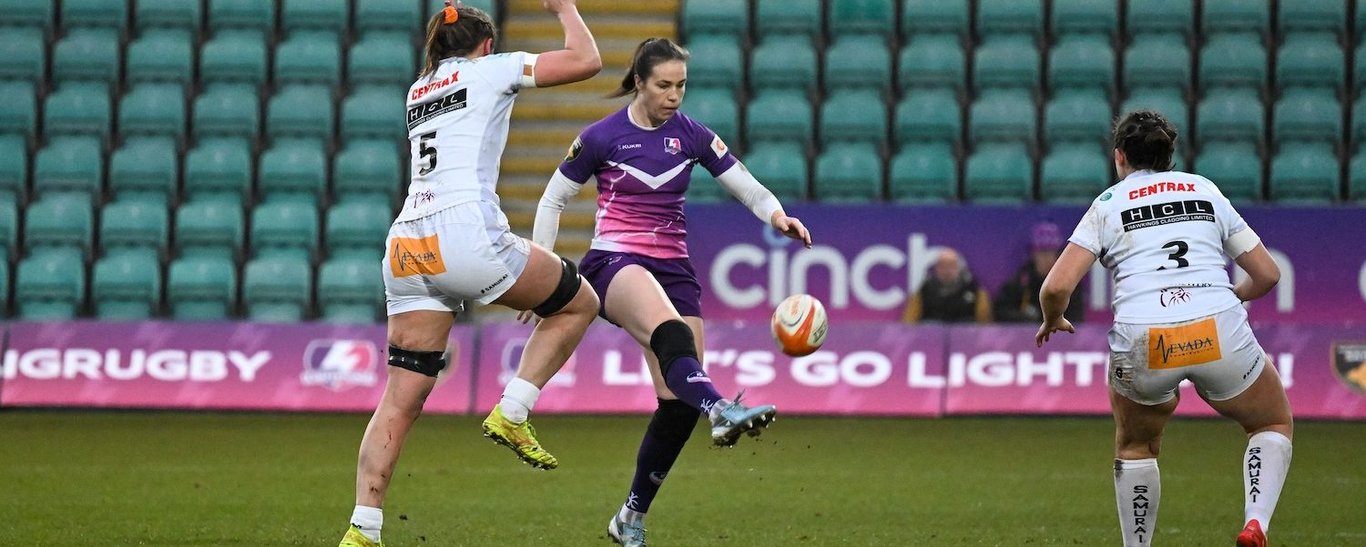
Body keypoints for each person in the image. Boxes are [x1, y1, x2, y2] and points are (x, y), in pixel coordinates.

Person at [524, 37, 813, 547]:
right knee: (672, 333)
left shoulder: (692, 135)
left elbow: (742, 181)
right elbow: (552, 200)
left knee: (677, 400)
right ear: (639, 82)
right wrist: (543, 273)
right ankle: (722, 409)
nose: (674, 95)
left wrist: (776, 215)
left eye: (681, 85)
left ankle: (630, 517)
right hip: (615, 261)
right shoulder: (601, 137)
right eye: (664, 85)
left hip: (674, 267)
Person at [340, 2, 604, 546]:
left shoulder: (419, 89)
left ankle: (362, 529)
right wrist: (565, 7)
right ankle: (513, 410)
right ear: (486, 44)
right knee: (579, 303)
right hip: (466, 233)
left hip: (408, 242)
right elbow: (587, 61)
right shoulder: (492, 68)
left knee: (400, 398)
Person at [1035, 110, 1293, 547]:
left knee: (1137, 446)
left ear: (1119, 156)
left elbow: (1057, 285)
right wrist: (1234, 296)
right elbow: (1268, 274)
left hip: (1146, 340)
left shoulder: (1109, 204)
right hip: (1217, 330)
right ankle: (1255, 523)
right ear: (1169, 155)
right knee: (1271, 420)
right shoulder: (1203, 189)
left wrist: (1052, 317)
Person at [994, 221, 1085, 323]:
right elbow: (1001, 312)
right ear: (1033, 254)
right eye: (1042, 252)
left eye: (1051, 252)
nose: (1047, 259)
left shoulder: (1068, 284)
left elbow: (1075, 320)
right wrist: (1027, 320)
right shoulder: (1021, 282)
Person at [902, 247, 991, 323]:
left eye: (951, 266)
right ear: (936, 269)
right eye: (942, 267)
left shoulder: (973, 288)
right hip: (932, 337)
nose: (947, 271)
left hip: (965, 338)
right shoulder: (925, 288)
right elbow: (909, 320)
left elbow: (985, 321)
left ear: (960, 268)